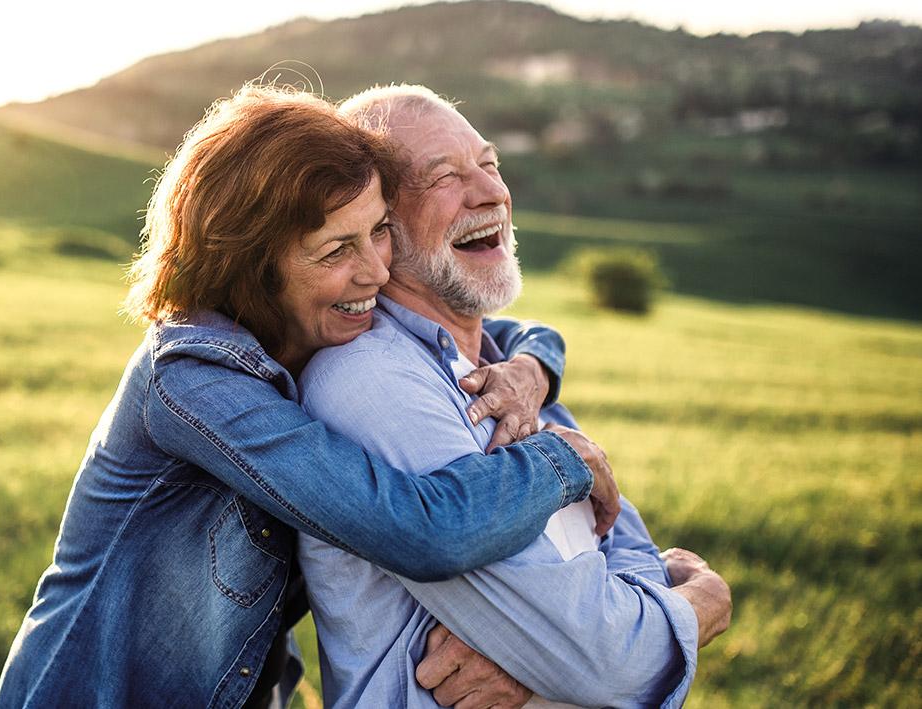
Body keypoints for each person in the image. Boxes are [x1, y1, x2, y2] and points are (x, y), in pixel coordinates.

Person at [0, 84, 622, 709]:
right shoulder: (191, 378)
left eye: (377, 231)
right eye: (336, 251)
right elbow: (422, 532)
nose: (376, 269)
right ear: (253, 265)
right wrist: (566, 460)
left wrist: (533, 368)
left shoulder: (317, 326)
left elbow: (505, 332)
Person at [297, 84, 732, 709]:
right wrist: (700, 603)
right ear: (376, 226)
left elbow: (623, 546)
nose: (492, 193)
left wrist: (552, 654)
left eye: (491, 164)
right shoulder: (371, 384)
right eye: (445, 176)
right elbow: (606, 661)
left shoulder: (514, 378)